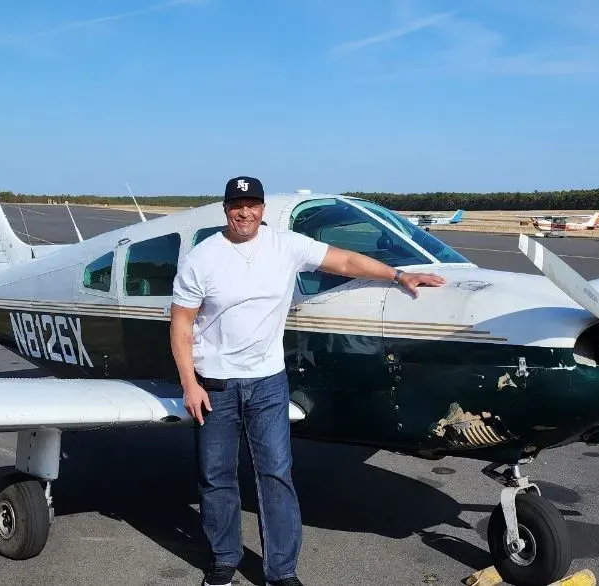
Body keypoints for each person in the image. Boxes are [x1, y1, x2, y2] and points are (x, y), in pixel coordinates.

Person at [170, 177, 445, 586]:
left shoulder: (287, 246)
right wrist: (190, 384)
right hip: (216, 385)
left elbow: (347, 262)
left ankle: (281, 571)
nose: (243, 212)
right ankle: (224, 558)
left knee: (276, 474)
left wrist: (397, 274)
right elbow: (181, 324)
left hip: (267, 382)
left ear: (262, 208)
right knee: (217, 475)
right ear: (225, 209)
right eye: (236, 205)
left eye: (251, 204)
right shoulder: (201, 258)